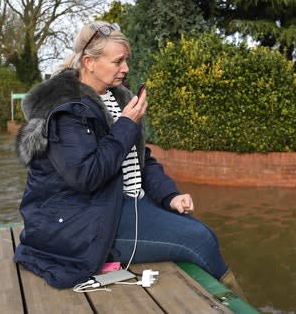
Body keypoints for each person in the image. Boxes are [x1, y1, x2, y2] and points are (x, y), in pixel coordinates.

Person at [14, 21, 244, 297]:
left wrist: (169, 195)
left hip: (120, 204)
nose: (126, 68)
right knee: (199, 240)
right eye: (118, 61)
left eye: (127, 60)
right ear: (89, 62)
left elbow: (140, 157)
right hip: (81, 222)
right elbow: (86, 176)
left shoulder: (114, 98)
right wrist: (126, 124)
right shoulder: (66, 111)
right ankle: (235, 303)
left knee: (200, 231)